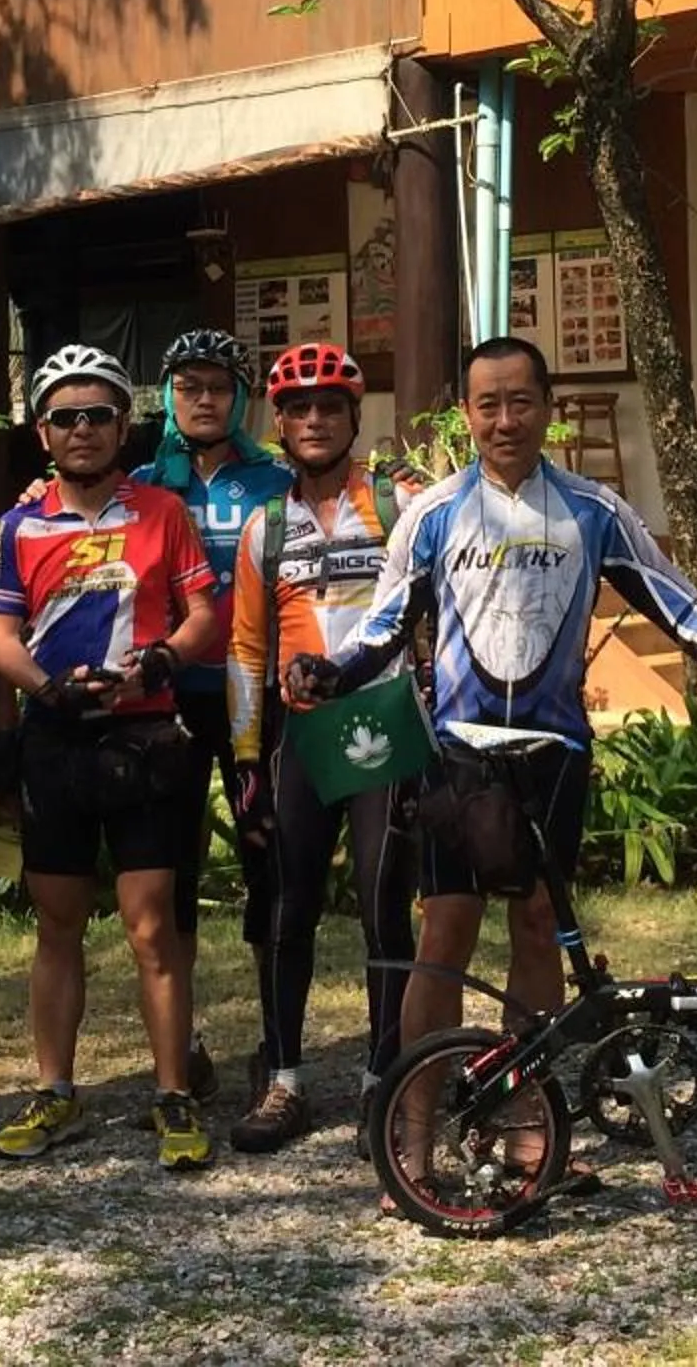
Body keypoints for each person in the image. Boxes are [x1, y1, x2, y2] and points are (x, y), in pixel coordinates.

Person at [288, 336, 697, 1051]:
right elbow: (383, 628)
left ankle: (524, 1120)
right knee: (445, 929)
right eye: (489, 405)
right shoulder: (433, 514)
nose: (505, 420)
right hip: (457, 755)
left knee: (539, 923)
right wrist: (329, 673)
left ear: (548, 409)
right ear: (466, 413)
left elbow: (684, 612)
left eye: (521, 402)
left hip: (555, 754)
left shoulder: (594, 510)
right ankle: (413, 1124)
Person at [0, 344, 225, 1172]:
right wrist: (47, 691)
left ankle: (172, 1093)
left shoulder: (161, 512)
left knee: (152, 928)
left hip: (144, 732)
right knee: (56, 923)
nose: (81, 431)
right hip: (56, 740)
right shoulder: (17, 527)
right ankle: (55, 1090)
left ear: (124, 425)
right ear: (42, 432)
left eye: (97, 416)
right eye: (64, 417)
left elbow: (203, 614)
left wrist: (159, 662)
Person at [222, 341, 418, 1151]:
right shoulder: (267, 525)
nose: (313, 420)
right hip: (300, 734)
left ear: (353, 416)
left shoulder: (400, 504)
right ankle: (285, 1081)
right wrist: (244, 759)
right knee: (284, 908)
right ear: (278, 422)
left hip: (382, 721)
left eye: (328, 407)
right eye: (298, 408)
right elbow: (244, 652)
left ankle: (384, 1078)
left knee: (381, 906)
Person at [133, 327, 292, 1104]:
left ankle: (276, 1039)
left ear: (241, 399)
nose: (204, 399)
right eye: (188, 385)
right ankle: (183, 1046)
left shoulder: (277, 482)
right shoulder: (137, 486)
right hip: (167, 705)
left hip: (260, 703)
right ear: (167, 396)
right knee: (171, 874)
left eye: (219, 387)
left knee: (272, 867)